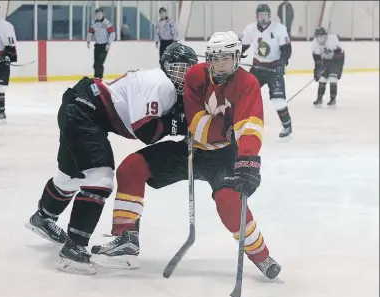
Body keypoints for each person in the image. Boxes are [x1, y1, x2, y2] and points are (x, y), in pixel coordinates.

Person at [91, 31, 281, 281]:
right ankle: (126, 237)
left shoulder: (247, 84)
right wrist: (224, 127)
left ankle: (261, 256)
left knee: (228, 202)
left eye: (227, 59)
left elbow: (250, 126)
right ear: (208, 58)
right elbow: (197, 125)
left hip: (223, 156)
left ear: (237, 58)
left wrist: (248, 160)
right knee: (131, 167)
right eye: (216, 58)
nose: (221, 65)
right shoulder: (195, 76)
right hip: (192, 150)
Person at [25, 43, 198, 275]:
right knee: (100, 178)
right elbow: (145, 131)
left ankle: (43, 218)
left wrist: (178, 120)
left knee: (70, 177)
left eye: (189, 69)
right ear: (166, 67)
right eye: (180, 68)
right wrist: (176, 125)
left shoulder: (164, 85)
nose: (185, 75)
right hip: (85, 111)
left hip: (79, 105)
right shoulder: (162, 84)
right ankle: (73, 250)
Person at [240, 3, 293, 138]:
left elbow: (286, 49)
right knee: (245, 95)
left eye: (265, 15)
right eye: (260, 15)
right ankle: (241, 123)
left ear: (269, 16)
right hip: (257, 68)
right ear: (257, 16)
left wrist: (282, 63)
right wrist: (236, 54)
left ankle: (287, 126)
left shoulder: (279, 29)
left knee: (278, 100)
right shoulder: (250, 29)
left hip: (274, 70)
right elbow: (242, 45)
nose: (263, 18)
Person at [312, 27, 345, 107]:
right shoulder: (315, 44)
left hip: (336, 61)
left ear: (325, 36)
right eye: (318, 37)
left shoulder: (333, 40)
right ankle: (319, 98)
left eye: (322, 36)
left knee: (333, 79)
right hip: (326, 61)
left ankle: (333, 99)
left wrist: (340, 70)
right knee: (322, 78)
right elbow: (317, 60)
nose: (320, 39)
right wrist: (317, 71)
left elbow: (341, 56)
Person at [87, 8, 116, 79]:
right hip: (97, 45)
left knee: (99, 63)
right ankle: (96, 78)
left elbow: (112, 34)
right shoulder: (93, 23)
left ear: (102, 14)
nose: (99, 15)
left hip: (104, 46)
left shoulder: (107, 23)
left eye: (100, 13)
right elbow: (90, 32)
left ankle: (99, 78)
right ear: (95, 15)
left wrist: (108, 43)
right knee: (95, 64)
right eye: (97, 14)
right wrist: (88, 41)